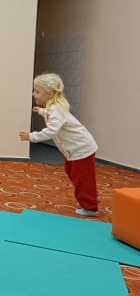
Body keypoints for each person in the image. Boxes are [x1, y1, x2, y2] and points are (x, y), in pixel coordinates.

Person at [19, 73, 99, 217]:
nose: (33, 94)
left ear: (49, 94)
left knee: (81, 178)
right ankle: (90, 193)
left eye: (37, 91)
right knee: (72, 172)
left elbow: (51, 131)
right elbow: (51, 114)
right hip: (74, 150)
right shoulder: (53, 108)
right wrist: (41, 111)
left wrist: (31, 136)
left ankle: (90, 207)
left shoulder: (56, 110)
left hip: (81, 149)